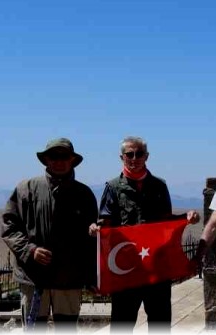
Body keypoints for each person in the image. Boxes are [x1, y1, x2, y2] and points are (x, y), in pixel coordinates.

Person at [88, 137, 200, 331]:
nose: (134, 158)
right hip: (125, 268)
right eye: (129, 154)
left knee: (160, 322)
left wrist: (187, 217)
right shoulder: (112, 188)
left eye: (139, 154)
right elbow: (105, 225)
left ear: (146, 156)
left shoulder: (159, 186)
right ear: (121, 157)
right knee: (122, 323)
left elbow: (166, 222)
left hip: (156, 267)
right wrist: (95, 229)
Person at [1, 138, 97, 331]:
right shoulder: (25, 189)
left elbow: (92, 243)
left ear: (72, 160)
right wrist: (30, 250)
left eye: (64, 156)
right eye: (54, 156)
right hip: (34, 277)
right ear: (46, 160)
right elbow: (9, 227)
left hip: (69, 279)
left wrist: (92, 277)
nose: (59, 161)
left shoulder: (84, 194)